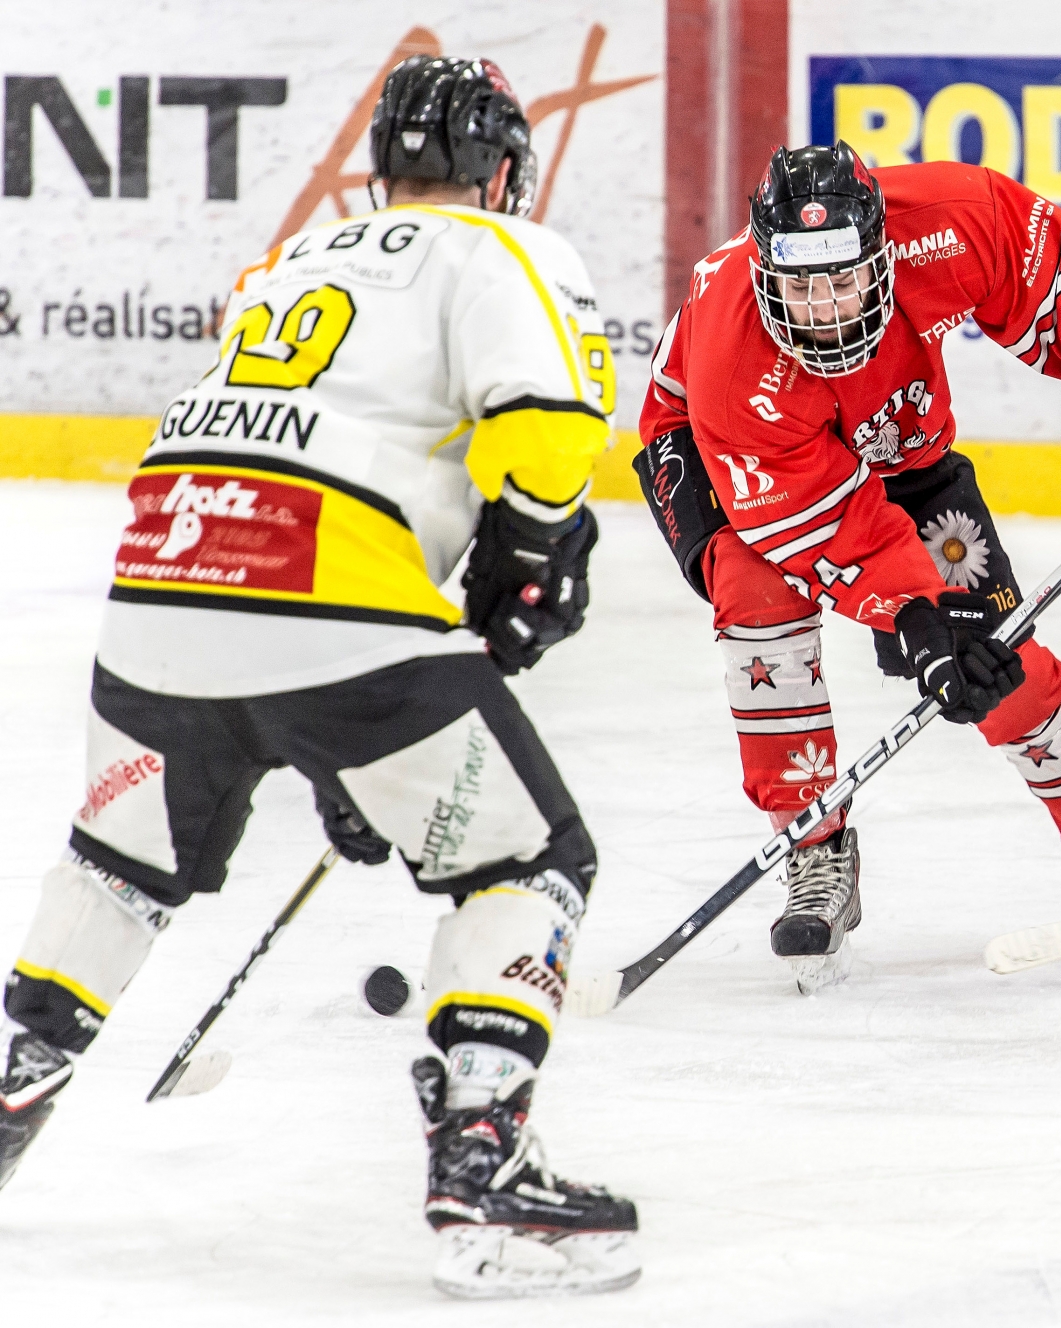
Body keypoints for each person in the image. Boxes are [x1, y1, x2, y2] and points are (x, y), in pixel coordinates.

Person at [0, 56, 637, 1297]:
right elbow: (548, 423)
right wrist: (538, 549)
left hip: (165, 575)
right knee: (529, 860)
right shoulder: (500, 251)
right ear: (504, 169)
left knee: (117, 869)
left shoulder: (290, 265)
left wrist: (344, 734)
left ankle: (10, 1082)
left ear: (382, 168)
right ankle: (484, 1161)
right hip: (327, 589)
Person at [635, 142, 1061, 989]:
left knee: (1006, 662)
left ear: (883, 254)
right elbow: (805, 522)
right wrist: (920, 620)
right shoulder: (736, 356)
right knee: (757, 588)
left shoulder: (947, 220)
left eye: (842, 281)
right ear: (769, 273)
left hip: (901, 451)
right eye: (801, 288)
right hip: (715, 453)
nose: (824, 311)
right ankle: (813, 846)